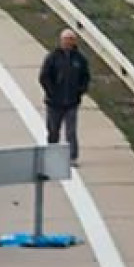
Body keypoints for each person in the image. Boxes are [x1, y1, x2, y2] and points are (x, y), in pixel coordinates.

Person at [39, 29, 90, 166]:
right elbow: (44, 77)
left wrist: (80, 91)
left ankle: (72, 157)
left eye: (70, 39)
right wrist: (51, 92)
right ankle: (52, 156)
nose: (68, 42)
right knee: (53, 131)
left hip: (72, 103)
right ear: (61, 40)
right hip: (54, 103)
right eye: (65, 39)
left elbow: (85, 77)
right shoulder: (52, 58)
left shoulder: (80, 59)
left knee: (71, 132)